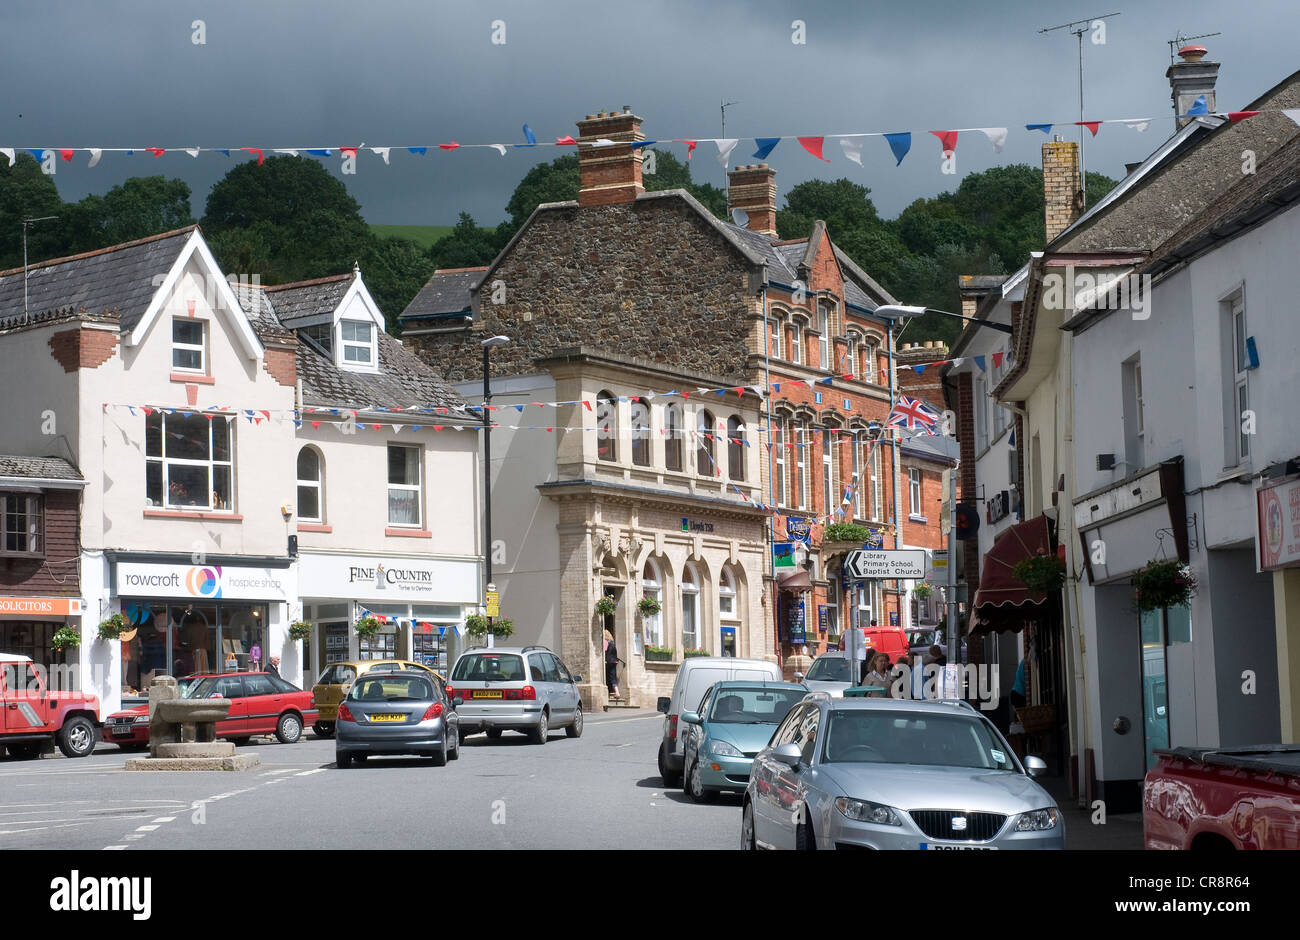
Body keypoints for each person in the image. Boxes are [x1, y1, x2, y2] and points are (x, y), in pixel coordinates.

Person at [604, 629, 623, 700]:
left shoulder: (606, 642)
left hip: (608, 662)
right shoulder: (612, 643)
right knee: (613, 677)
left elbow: (604, 652)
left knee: (608, 677)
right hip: (614, 661)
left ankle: (612, 692)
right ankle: (616, 692)